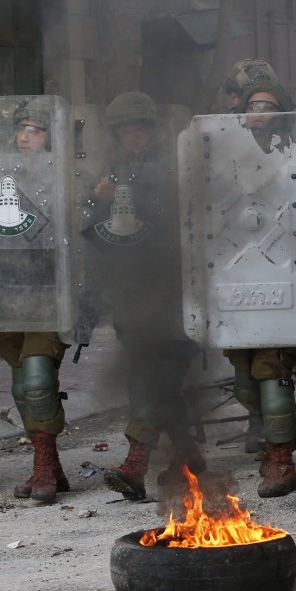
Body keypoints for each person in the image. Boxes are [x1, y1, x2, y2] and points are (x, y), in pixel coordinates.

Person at [89, 92, 205, 501]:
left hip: (174, 288)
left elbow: (182, 215)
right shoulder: (111, 170)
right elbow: (93, 233)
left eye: (139, 127)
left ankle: (136, 460)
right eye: (125, 129)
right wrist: (100, 200)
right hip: (132, 291)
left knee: (151, 375)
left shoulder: (174, 164)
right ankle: (188, 455)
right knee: (158, 376)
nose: (133, 136)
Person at [224, 81, 296, 498]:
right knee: (243, 378)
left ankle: (281, 460)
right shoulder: (223, 154)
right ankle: (272, 433)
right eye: (254, 104)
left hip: (281, 270)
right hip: (236, 275)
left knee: (271, 371)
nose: (259, 111)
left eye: (269, 106)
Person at [0, 97, 73, 503]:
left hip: (49, 292)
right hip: (8, 292)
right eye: (21, 130)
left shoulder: (66, 176)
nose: (26, 137)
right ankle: (50, 465)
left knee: (40, 379)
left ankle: (43, 467)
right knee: (21, 385)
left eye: (36, 130)